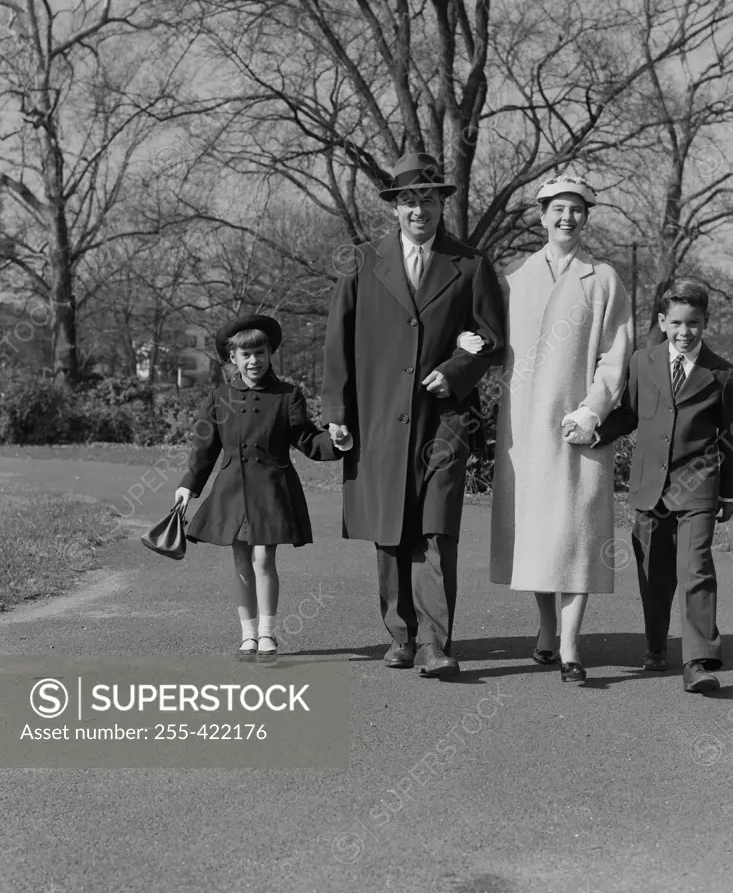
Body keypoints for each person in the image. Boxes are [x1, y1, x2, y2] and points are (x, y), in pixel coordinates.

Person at [322, 151, 505, 678]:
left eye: (427, 199)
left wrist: (457, 368)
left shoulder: (471, 264)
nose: (418, 209)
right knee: (390, 528)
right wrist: (336, 410)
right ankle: (400, 634)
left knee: (436, 528)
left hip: (446, 418)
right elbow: (337, 342)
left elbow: (492, 340)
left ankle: (435, 643)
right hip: (377, 417)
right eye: (408, 200)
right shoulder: (360, 262)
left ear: (442, 204)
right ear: (394, 209)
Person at [490, 174, 633, 682]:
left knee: (576, 535)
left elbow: (615, 359)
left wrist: (593, 411)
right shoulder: (514, 280)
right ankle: (547, 628)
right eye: (558, 209)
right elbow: (488, 343)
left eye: (576, 210)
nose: (566, 218)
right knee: (537, 537)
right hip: (525, 430)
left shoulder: (605, 280)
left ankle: (571, 647)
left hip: (578, 430)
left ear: (586, 217)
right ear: (542, 214)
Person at [174, 315, 352, 661]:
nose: (254, 361)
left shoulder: (287, 396)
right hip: (232, 490)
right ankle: (248, 635)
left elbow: (306, 439)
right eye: (246, 355)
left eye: (260, 352)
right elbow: (204, 449)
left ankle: (268, 635)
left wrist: (339, 443)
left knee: (263, 557)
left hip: (271, 488)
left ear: (270, 354)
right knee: (241, 560)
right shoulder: (219, 397)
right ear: (233, 359)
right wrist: (188, 487)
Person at [594, 281, 733, 693]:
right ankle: (656, 646)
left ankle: (697, 660)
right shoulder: (642, 361)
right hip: (648, 484)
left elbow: (732, 435)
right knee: (653, 572)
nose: (685, 331)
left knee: (695, 568)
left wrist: (729, 493)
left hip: (699, 485)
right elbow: (630, 415)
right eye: (676, 322)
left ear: (705, 323)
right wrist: (595, 433)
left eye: (694, 323)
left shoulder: (722, 372)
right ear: (662, 321)